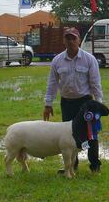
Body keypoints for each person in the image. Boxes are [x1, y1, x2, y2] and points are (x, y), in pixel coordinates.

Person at [43, 27, 104, 172]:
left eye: (73, 38)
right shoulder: (57, 60)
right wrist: (48, 104)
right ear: (64, 40)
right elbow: (52, 83)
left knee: (91, 135)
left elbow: (95, 83)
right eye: (67, 38)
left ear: (78, 40)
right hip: (67, 103)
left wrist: (99, 104)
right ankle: (71, 166)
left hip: (85, 103)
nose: (70, 41)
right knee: (69, 136)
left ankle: (95, 165)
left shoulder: (89, 59)